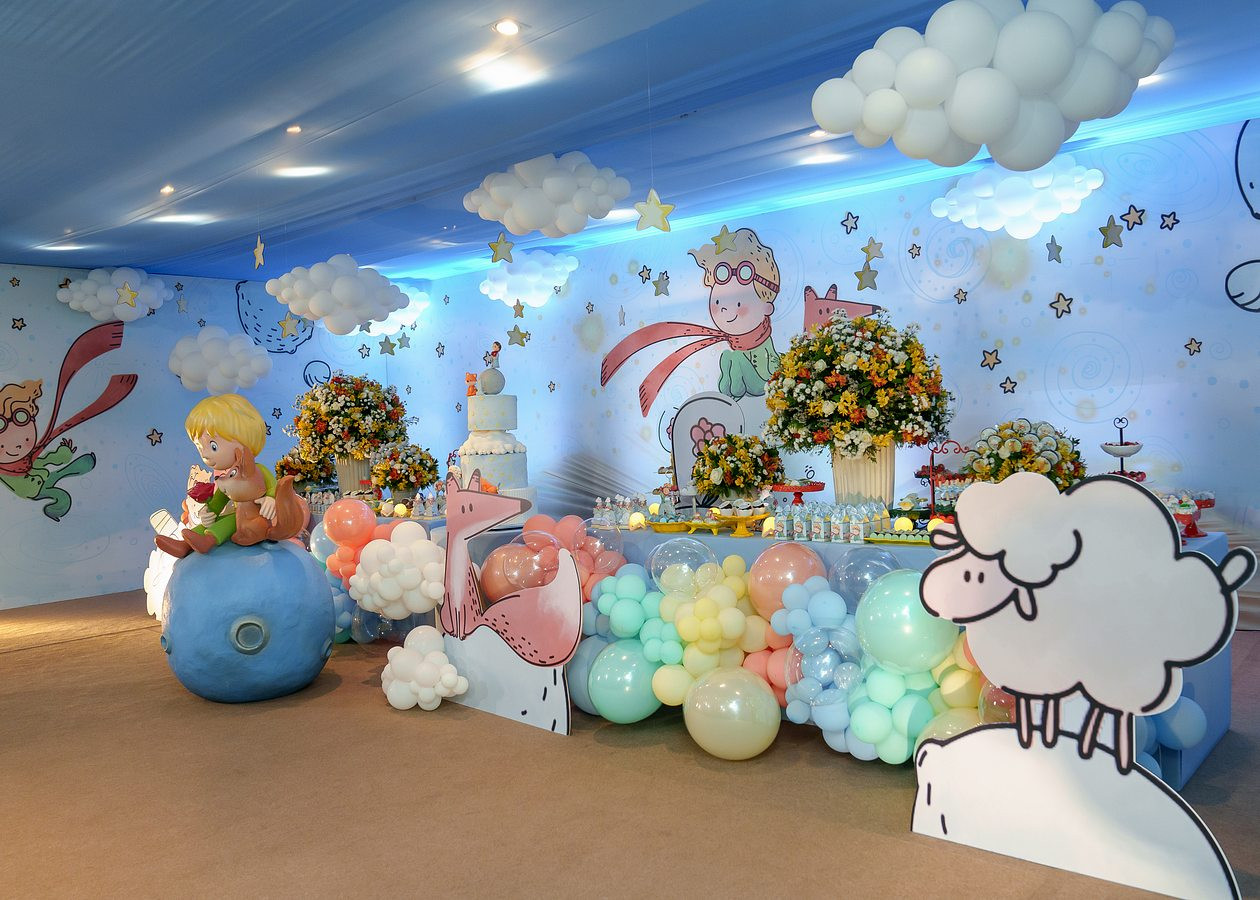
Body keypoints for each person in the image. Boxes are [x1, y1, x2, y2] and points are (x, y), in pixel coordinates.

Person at [600, 227, 781, 415]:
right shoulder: (731, 354)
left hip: (764, 382)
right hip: (739, 400)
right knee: (728, 356)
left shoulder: (760, 345)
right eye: (718, 303)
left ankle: (732, 397)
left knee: (735, 357)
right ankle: (728, 400)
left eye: (738, 303)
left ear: (767, 307)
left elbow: (773, 366)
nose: (726, 310)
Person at [0, 322, 137, 521]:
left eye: (22, 417)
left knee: (56, 476)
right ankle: (70, 475)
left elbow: (45, 460)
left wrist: (62, 454)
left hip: (42, 478)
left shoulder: (28, 457)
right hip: (37, 488)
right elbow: (43, 461)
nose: (16, 443)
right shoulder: (10, 468)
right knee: (59, 489)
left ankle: (73, 468)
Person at [155, 394, 307, 557]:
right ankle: (184, 545)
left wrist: (270, 498)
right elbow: (220, 499)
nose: (205, 454)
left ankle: (209, 540)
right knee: (217, 520)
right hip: (240, 516)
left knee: (231, 520)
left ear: (243, 439)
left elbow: (273, 486)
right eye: (200, 447)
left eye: (213, 446)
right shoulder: (227, 477)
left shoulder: (258, 470)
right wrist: (208, 512)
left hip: (255, 519)